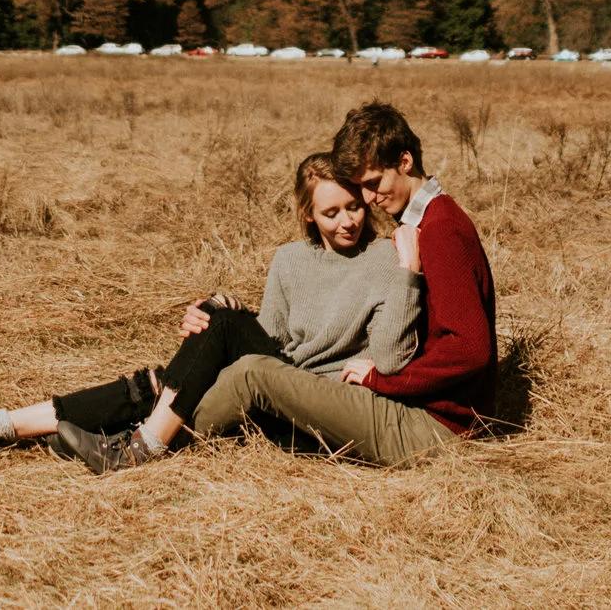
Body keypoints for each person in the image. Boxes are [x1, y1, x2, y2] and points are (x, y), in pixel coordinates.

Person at [0, 151, 421, 474]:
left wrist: (407, 271)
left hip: (315, 399)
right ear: (308, 214)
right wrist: (214, 319)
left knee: (207, 337)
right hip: (272, 373)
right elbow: (271, 337)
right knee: (178, 359)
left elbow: (390, 354)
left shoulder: (384, 258)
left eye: (353, 207)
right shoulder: (290, 259)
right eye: (330, 212)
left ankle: (141, 444)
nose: (346, 221)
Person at [173, 100, 496, 468]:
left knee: (253, 377)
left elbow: (471, 350)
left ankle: (164, 440)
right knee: (240, 363)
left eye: (373, 185)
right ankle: (153, 420)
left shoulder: (442, 229)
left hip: (432, 429)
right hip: (420, 414)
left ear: (405, 162)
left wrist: (384, 382)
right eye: (363, 189)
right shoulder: (426, 224)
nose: (370, 199)